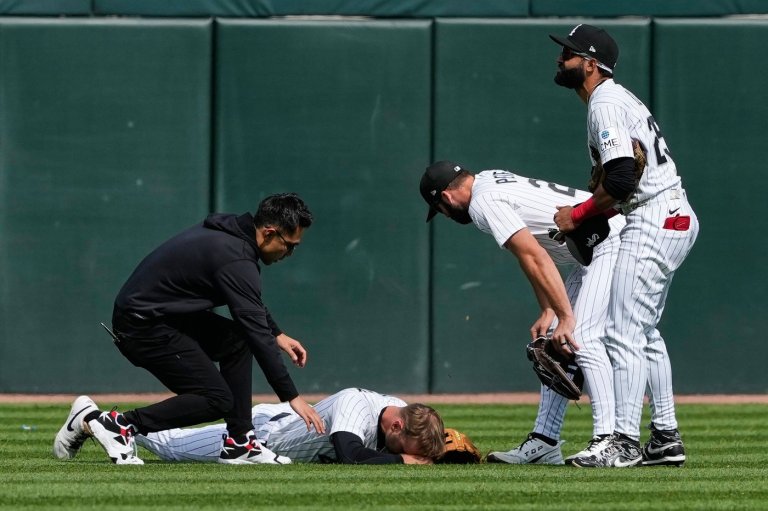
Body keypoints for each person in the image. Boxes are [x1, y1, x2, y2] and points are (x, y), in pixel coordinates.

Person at [53, 193, 325, 465]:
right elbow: (256, 331)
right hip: (142, 327)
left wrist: (277, 334)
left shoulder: (234, 236)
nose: (289, 254)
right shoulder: (236, 257)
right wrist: (292, 397)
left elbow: (249, 303)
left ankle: (240, 443)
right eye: (289, 245)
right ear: (269, 233)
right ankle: (118, 425)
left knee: (237, 341)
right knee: (217, 399)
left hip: (158, 317)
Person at [549, 24, 698, 467]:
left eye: (569, 54)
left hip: (655, 215)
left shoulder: (605, 103)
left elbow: (619, 179)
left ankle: (623, 441)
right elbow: (622, 181)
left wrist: (576, 216)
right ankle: (665, 438)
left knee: (622, 332)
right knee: (643, 331)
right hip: (668, 211)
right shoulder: (618, 98)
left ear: (590, 65)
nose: (561, 60)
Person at [419, 161, 621, 466]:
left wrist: (564, 316)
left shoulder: (482, 202)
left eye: (441, 210)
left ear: (445, 198)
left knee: (582, 338)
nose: (446, 217)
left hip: (608, 239)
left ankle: (609, 440)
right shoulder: (488, 180)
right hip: (594, 246)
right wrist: (549, 309)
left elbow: (534, 255)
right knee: (555, 344)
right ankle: (545, 440)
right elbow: (529, 252)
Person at [57, 388, 445, 465]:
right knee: (173, 446)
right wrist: (403, 463)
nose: (408, 453)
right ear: (395, 425)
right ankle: (97, 418)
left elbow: (424, 433)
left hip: (278, 429)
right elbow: (349, 453)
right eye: (406, 445)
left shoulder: (401, 412)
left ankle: (101, 421)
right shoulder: (357, 405)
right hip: (265, 435)